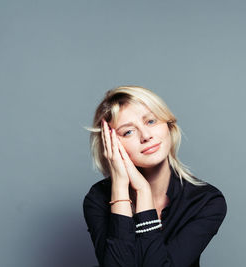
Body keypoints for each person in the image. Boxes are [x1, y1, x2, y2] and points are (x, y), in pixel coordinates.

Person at [83, 86, 227, 267]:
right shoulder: (98, 198)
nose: (146, 136)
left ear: (168, 125)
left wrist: (143, 193)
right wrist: (120, 186)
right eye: (128, 132)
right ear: (110, 145)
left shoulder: (206, 201)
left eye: (151, 121)